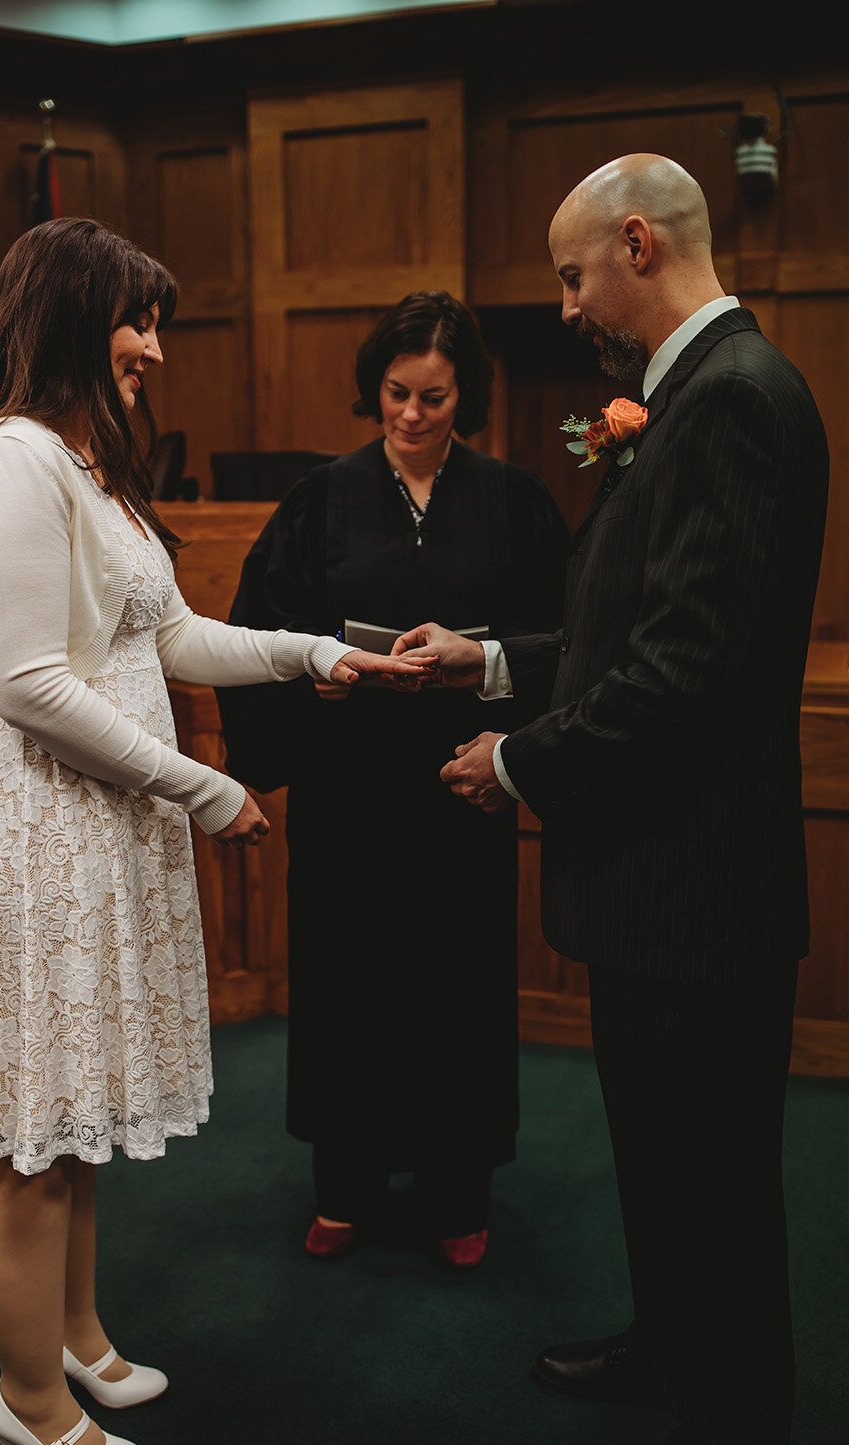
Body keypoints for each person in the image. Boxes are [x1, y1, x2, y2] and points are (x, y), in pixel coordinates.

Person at [0, 217, 420, 1445]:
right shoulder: (11, 458)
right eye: (136, 321)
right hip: (35, 827)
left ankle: (73, 1334)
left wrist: (309, 654)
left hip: (97, 825)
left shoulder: (90, 462)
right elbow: (26, 684)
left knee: (70, 1112)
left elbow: (170, 637)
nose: (151, 349)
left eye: (157, 326)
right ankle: (25, 1397)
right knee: (25, 1136)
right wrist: (205, 787)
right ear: (71, 315)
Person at [394, 157, 828, 1445]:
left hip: (699, 887)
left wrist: (517, 765)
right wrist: (488, 661)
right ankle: (669, 1346)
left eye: (575, 274)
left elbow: (687, 671)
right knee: (660, 1152)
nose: (570, 303)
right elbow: (618, 627)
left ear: (636, 244)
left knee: (715, 1176)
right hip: (659, 883)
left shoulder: (738, 401)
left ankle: (737, 1435)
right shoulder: (691, 397)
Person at [217, 290, 568, 1269]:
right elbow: (256, 638)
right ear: (373, 387)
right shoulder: (317, 502)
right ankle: (347, 1185)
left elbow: (565, 639)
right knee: (350, 990)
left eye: (435, 398)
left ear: (468, 396)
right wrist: (317, 679)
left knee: (453, 995)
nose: (412, 416)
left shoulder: (515, 502)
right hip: (349, 796)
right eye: (396, 394)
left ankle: (459, 1192)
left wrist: (489, 680)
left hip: (461, 797)